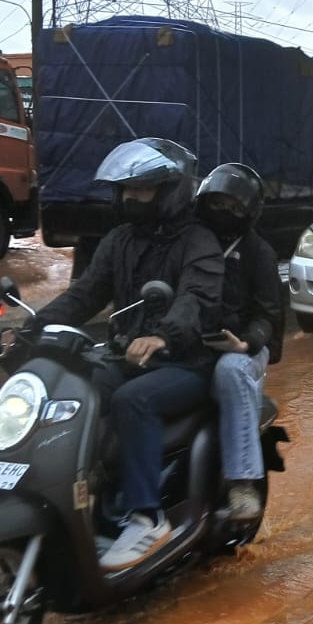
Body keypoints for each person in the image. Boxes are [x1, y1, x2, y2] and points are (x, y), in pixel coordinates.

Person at [28, 137, 223, 570]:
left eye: (141, 190)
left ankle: (146, 516)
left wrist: (165, 335)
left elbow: (197, 298)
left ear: (170, 191)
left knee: (131, 401)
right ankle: (80, 495)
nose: (129, 198)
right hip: (127, 356)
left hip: (186, 361)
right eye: (125, 190)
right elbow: (85, 293)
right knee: (71, 394)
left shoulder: (199, 242)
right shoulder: (119, 240)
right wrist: (36, 323)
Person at [194, 162, 283, 523]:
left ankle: (242, 482)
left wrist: (245, 343)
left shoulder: (258, 254)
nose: (224, 214)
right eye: (218, 204)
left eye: (234, 208)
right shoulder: (189, 243)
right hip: (188, 342)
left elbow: (269, 316)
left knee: (231, 371)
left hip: (244, 350)